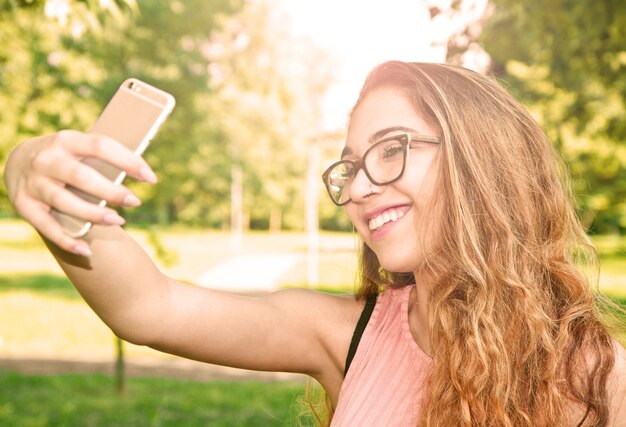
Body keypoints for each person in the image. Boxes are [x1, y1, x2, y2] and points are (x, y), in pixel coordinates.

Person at [4, 61, 625, 426]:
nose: (359, 187)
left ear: (482, 163)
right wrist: (29, 166)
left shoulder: (602, 377)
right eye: (351, 165)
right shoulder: (341, 336)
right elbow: (150, 308)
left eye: (392, 149)